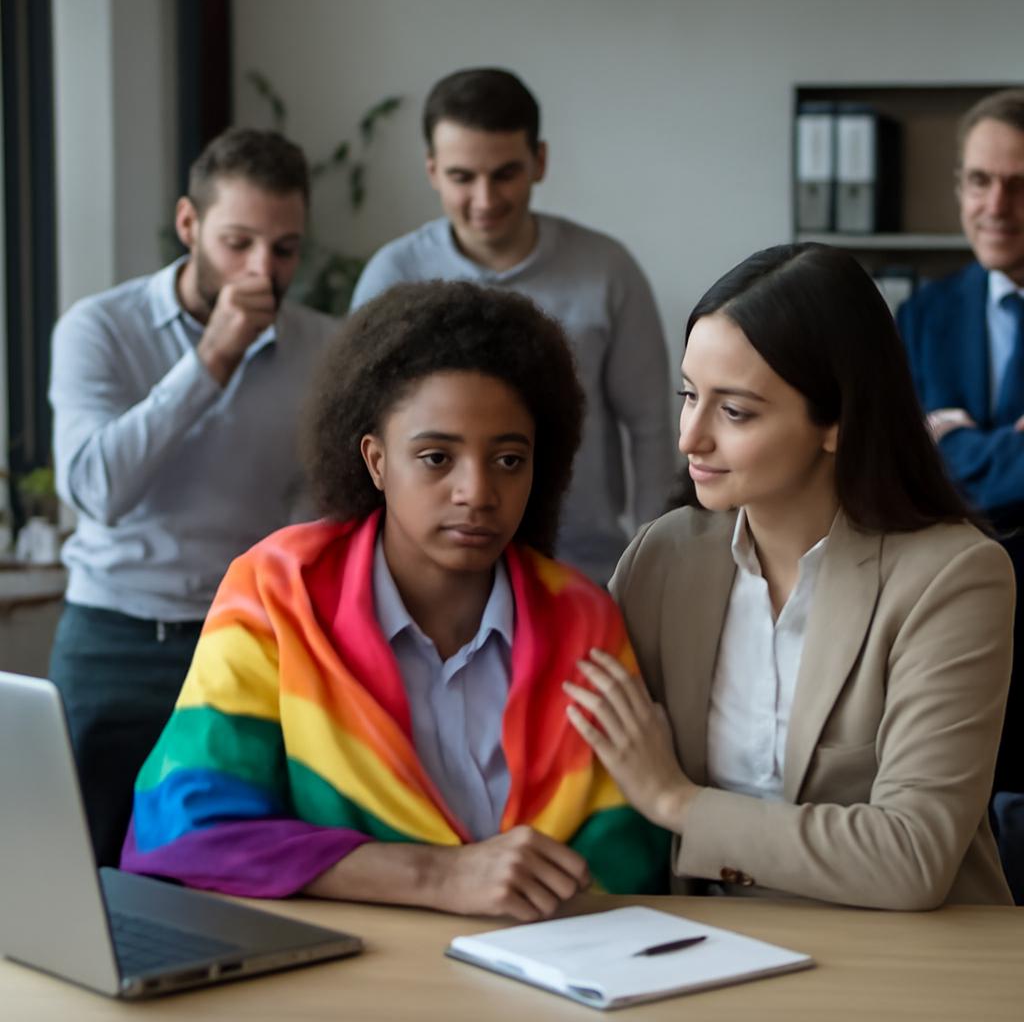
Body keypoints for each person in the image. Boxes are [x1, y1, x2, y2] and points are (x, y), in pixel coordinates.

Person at [120, 281, 670, 920]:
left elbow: (631, 850)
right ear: (376, 462)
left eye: (509, 460)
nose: (477, 492)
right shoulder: (278, 593)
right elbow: (188, 828)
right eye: (437, 457)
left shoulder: (584, 621)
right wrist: (440, 876)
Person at [565, 242, 1015, 909]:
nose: (691, 436)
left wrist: (676, 801)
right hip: (705, 947)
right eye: (689, 396)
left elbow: (912, 857)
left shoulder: (953, 577)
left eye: (735, 411)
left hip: (908, 964)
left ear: (835, 419)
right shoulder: (663, 558)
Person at [48, 128, 337, 868]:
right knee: (75, 865)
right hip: (112, 634)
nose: (262, 271)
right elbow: (97, 490)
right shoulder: (99, 329)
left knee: (233, 862)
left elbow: (331, 510)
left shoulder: (326, 348)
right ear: (188, 226)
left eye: (284, 249)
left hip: (243, 640)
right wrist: (214, 357)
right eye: (237, 243)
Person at [351, 67, 674, 585]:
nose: (485, 199)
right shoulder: (393, 276)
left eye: (504, 174)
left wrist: (655, 552)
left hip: (582, 562)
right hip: (433, 573)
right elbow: (362, 433)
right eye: (462, 177)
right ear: (432, 170)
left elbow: (651, 428)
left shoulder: (608, 270)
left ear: (539, 162)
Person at [897, 89, 1024, 901]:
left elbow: (941, 456)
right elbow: (907, 465)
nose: (995, 206)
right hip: (950, 609)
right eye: (979, 181)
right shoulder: (925, 311)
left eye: (1018, 184)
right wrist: (1003, 451)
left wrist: (957, 443)